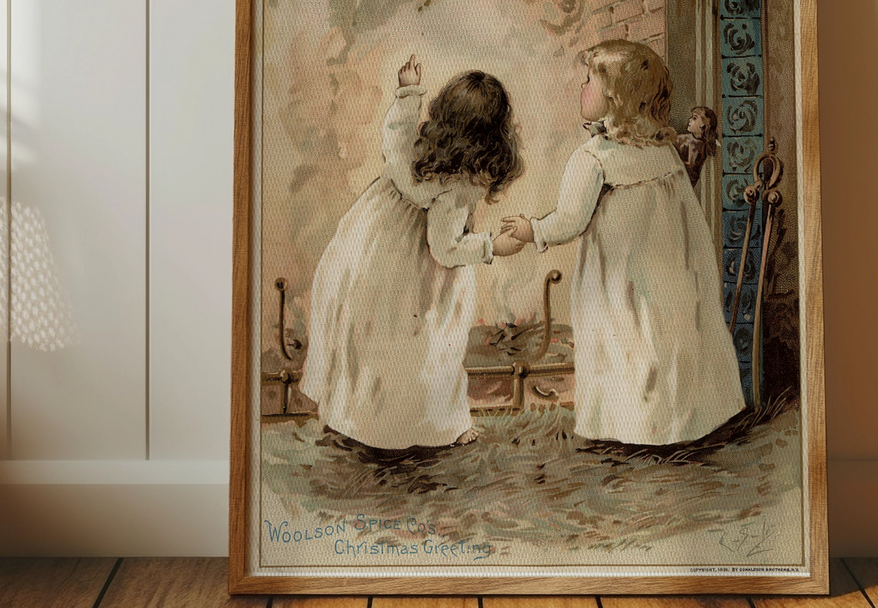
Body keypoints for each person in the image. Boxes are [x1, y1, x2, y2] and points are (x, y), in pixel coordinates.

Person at [500, 40, 745, 445]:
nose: (582, 87)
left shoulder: (593, 157)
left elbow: (569, 221)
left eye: (589, 81)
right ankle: (678, 424)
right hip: (670, 271)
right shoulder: (663, 148)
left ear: (614, 97)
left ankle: (631, 428)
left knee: (624, 344)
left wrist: (532, 230)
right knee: (663, 341)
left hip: (620, 277)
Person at [301, 57, 526, 450]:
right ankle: (436, 427)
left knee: (372, 343)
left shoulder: (417, 154)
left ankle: (355, 420)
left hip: (370, 252)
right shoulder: (458, 185)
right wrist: (492, 245)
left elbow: (395, 137)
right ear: (493, 137)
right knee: (428, 350)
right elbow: (446, 248)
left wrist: (407, 94)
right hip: (419, 281)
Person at [676, 104, 719, 188]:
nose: (690, 120)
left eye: (694, 118)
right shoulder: (687, 137)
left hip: (682, 183)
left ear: (703, 124)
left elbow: (689, 169)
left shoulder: (698, 145)